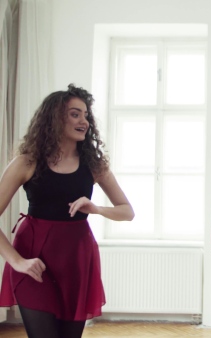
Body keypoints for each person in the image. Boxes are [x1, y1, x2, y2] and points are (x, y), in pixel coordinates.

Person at [0, 84, 134, 338]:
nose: (84, 120)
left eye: (85, 115)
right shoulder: (26, 162)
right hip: (34, 261)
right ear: (55, 118)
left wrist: (95, 208)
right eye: (75, 114)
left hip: (77, 261)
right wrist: (17, 261)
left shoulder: (94, 165)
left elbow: (127, 211)